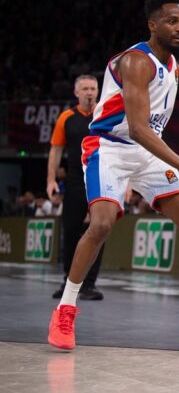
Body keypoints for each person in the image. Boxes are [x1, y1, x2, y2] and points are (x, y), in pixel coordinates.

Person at [47, 0, 179, 351]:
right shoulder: (137, 61)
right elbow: (136, 128)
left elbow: (152, 128)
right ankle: (65, 310)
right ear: (153, 25)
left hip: (145, 151)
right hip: (110, 148)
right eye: (171, 21)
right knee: (101, 223)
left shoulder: (175, 67)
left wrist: (170, 170)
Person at [47, 74, 105, 300]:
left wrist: (126, 183)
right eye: (85, 89)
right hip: (74, 183)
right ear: (76, 92)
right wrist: (51, 180)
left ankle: (89, 284)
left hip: (101, 180)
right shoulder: (66, 118)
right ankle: (68, 281)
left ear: (98, 91)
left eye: (93, 88)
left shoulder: (106, 115)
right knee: (71, 231)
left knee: (98, 230)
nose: (90, 92)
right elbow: (55, 150)